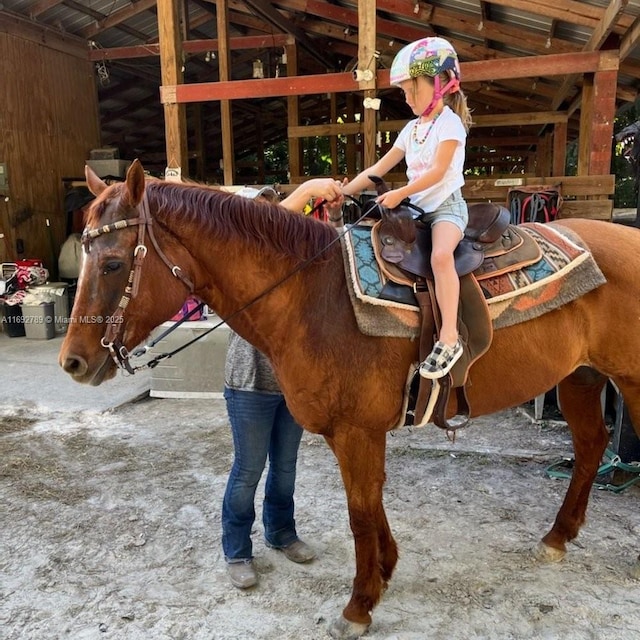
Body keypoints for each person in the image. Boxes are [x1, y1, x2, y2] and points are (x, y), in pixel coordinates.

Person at [222, 178, 344, 590]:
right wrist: (310, 187)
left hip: (290, 382)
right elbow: (262, 224)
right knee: (248, 469)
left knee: (286, 467)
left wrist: (338, 213)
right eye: (262, 208)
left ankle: (281, 532)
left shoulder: (288, 262)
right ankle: (237, 550)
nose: (268, 214)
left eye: (271, 205)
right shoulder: (240, 258)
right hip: (249, 383)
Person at [343, 37, 472, 379]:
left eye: (412, 88)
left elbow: (438, 172)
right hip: (416, 213)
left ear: (441, 84)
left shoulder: (450, 124)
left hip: (446, 210)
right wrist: (341, 191)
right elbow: (377, 170)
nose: (408, 97)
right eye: (404, 91)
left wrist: (400, 194)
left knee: (441, 256)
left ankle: (449, 337)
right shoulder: (410, 130)